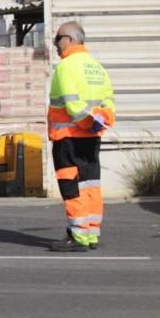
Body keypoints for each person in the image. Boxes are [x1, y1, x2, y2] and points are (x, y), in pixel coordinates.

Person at [47, 21, 115, 252]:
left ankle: (77, 235)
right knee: (90, 184)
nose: (55, 44)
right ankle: (91, 232)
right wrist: (97, 123)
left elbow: (73, 106)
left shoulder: (66, 67)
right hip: (91, 136)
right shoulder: (97, 67)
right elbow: (108, 103)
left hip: (68, 137)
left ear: (70, 39)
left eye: (58, 39)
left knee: (72, 186)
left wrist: (84, 122)